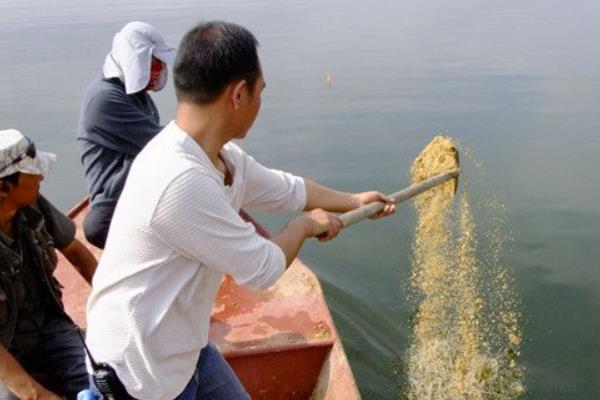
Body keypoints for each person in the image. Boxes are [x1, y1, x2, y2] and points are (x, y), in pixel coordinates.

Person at [84, 21, 395, 400]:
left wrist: (354, 200)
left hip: (185, 347)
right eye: (260, 91)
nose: (261, 103)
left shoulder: (218, 156)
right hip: (141, 373)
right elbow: (262, 268)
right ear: (239, 94)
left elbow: (286, 189)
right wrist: (303, 227)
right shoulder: (178, 178)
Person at [0, 130, 98, 400]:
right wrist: (37, 394)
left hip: (47, 330)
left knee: (103, 376)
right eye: (33, 172)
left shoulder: (33, 205)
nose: (41, 177)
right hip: (5, 351)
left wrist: (117, 309)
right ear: (4, 187)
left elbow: (77, 254)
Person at [77, 21, 176, 248]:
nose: (158, 71)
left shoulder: (136, 94)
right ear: (134, 60)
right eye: (153, 63)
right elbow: (163, 144)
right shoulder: (104, 99)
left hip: (139, 190)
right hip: (115, 203)